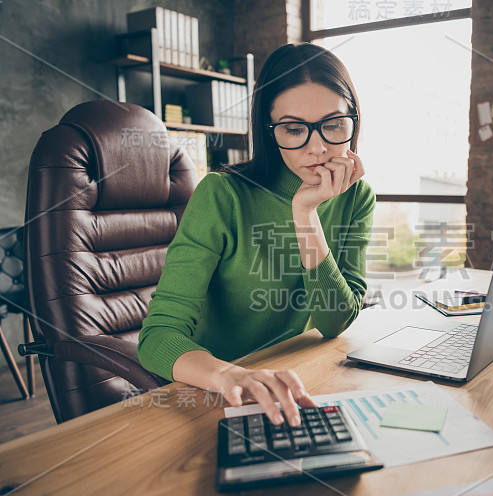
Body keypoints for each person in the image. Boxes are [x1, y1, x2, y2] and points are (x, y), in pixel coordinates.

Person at [138, 43, 374, 428]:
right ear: (269, 130)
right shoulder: (222, 194)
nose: (317, 147)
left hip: (293, 378)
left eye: (332, 125)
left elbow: (334, 322)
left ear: (353, 120)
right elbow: (157, 336)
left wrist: (306, 213)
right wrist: (229, 375)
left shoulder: (356, 196)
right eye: (294, 129)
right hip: (214, 392)